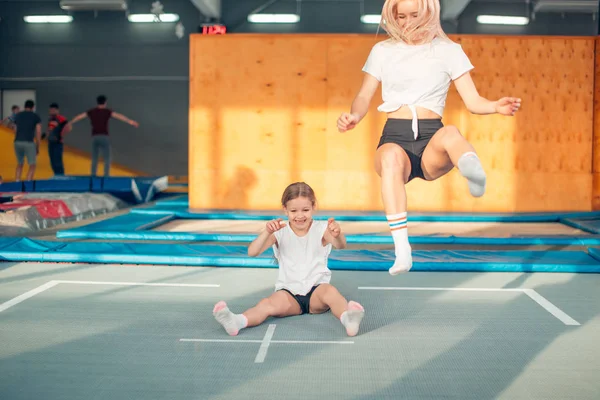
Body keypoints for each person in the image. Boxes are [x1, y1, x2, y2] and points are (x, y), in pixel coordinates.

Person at [337, 0, 521, 275]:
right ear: (392, 16)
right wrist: (354, 116)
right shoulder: (383, 51)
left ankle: (473, 172)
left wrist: (495, 106)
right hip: (394, 136)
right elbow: (364, 95)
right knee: (389, 158)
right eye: (401, 17)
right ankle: (402, 251)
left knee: (451, 133)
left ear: (430, 13)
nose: (408, 22)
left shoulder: (448, 51)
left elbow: (472, 101)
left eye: (415, 15)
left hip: (431, 137)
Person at [213, 182, 365, 337]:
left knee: (332, 293)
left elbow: (341, 245)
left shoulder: (322, 228)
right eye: (293, 211)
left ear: (313, 207)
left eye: (305, 210)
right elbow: (252, 252)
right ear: (285, 209)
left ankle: (348, 319)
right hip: (289, 294)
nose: (300, 216)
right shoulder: (279, 231)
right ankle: (237, 321)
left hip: (317, 291)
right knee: (267, 304)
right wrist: (266, 232)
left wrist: (337, 233)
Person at [67, 95, 139, 177]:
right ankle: (106, 176)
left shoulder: (92, 111)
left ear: (97, 102)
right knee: (107, 158)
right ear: (105, 102)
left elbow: (80, 116)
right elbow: (119, 116)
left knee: (94, 158)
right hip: (104, 136)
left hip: (95, 137)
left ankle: (93, 175)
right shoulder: (107, 111)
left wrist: (70, 122)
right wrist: (131, 122)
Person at [13, 100, 42, 182]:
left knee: (20, 163)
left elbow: (15, 129)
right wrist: (37, 146)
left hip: (17, 141)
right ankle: (28, 183)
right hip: (29, 142)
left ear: (24, 106)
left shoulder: (18, 115)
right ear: (33, 107)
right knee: (32, 165)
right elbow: (38, 132)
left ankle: (17, 182)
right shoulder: (35, 116)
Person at [46, 103, 71, 176]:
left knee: (58, 161)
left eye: (53, 110)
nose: (52, 111)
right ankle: (56, 176)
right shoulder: (50, 119)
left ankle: (61, 177)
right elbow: (49, 129)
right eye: (51, 110)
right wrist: (47, 136)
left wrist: (61, 136)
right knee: (52, 161)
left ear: (57, 110)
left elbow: (68, 127)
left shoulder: (61, 118)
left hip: (57, 143)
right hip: (51, 143)